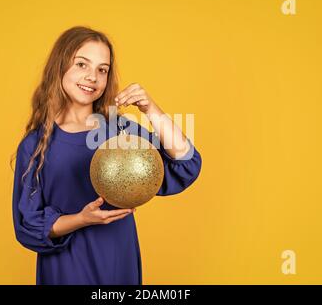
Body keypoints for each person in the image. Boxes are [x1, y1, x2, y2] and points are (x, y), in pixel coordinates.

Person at [11, 26, 202, 284]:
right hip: (65, 270)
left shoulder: (120, 132)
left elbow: (185, 163)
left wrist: (150, 108)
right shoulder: (35, 145)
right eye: (82, 64)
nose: (92, 77)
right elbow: (27, 225)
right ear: (59, 67)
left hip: (117, 263)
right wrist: (81, 219)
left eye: (102, 69)